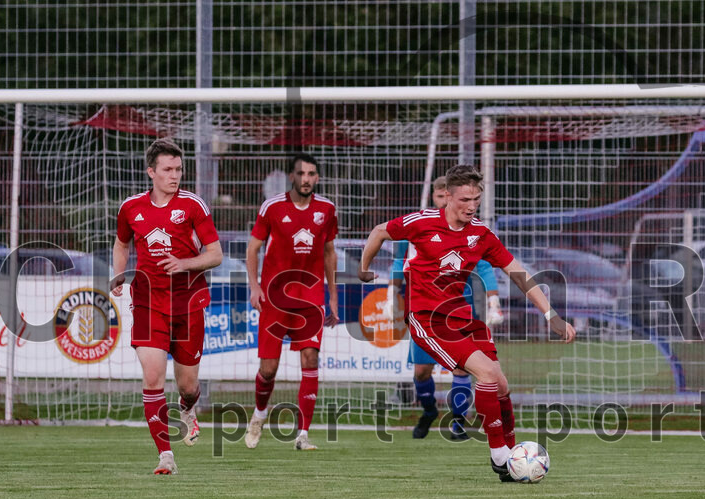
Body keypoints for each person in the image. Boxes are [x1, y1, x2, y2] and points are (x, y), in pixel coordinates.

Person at [360, 164, 576, 481]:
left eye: (476, 199)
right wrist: (364, 270)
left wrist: (551, 314)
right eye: (464, 199)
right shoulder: (422, 223)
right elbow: (380, 231)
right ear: (447, 196)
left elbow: (517, 272)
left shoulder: (481, 234)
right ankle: (500, 459)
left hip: (461, 316)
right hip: (427, 319)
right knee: (487, 374)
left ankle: (515, 457)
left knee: (501, 384)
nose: (471, 206)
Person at [111, 138, 223, 475]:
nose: (174, 176)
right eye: (167, 170)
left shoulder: (192, 206)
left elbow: (215, 254)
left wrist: (185, 263)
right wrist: (119, 275)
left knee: (188, 385)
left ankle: (187, 407)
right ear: (151, 172)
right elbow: (121, 243)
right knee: (152, 377)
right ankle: (165, 456)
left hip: (188, 303)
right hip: (147, 303)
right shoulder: (131, 208)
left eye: (178, 169)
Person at [388, 176, 505, 441]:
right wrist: (390, 296)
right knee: (421, 372)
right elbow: (398, 263)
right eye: (439, 197)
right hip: (424, 311)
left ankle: (458, 422)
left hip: (457, 310)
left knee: (462, 368)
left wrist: (493, 300)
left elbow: (485, 266)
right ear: (437, 198)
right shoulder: (419, 226)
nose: (444, 202)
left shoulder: (472, 233)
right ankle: (429, 411)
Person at [243, 153, 340, 452]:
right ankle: (259, 414)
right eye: (301, 173)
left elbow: (328, 252)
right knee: (268, 370)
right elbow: (253, 249)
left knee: (311, 360)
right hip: (275, 299)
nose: (307, 179)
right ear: (292, 177)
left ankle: (303, 434)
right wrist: (254, 286)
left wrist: (333, 296)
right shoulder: (272, 207)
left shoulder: (327, 209)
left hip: (310, 298)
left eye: (312, 173)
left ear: (318, 178)